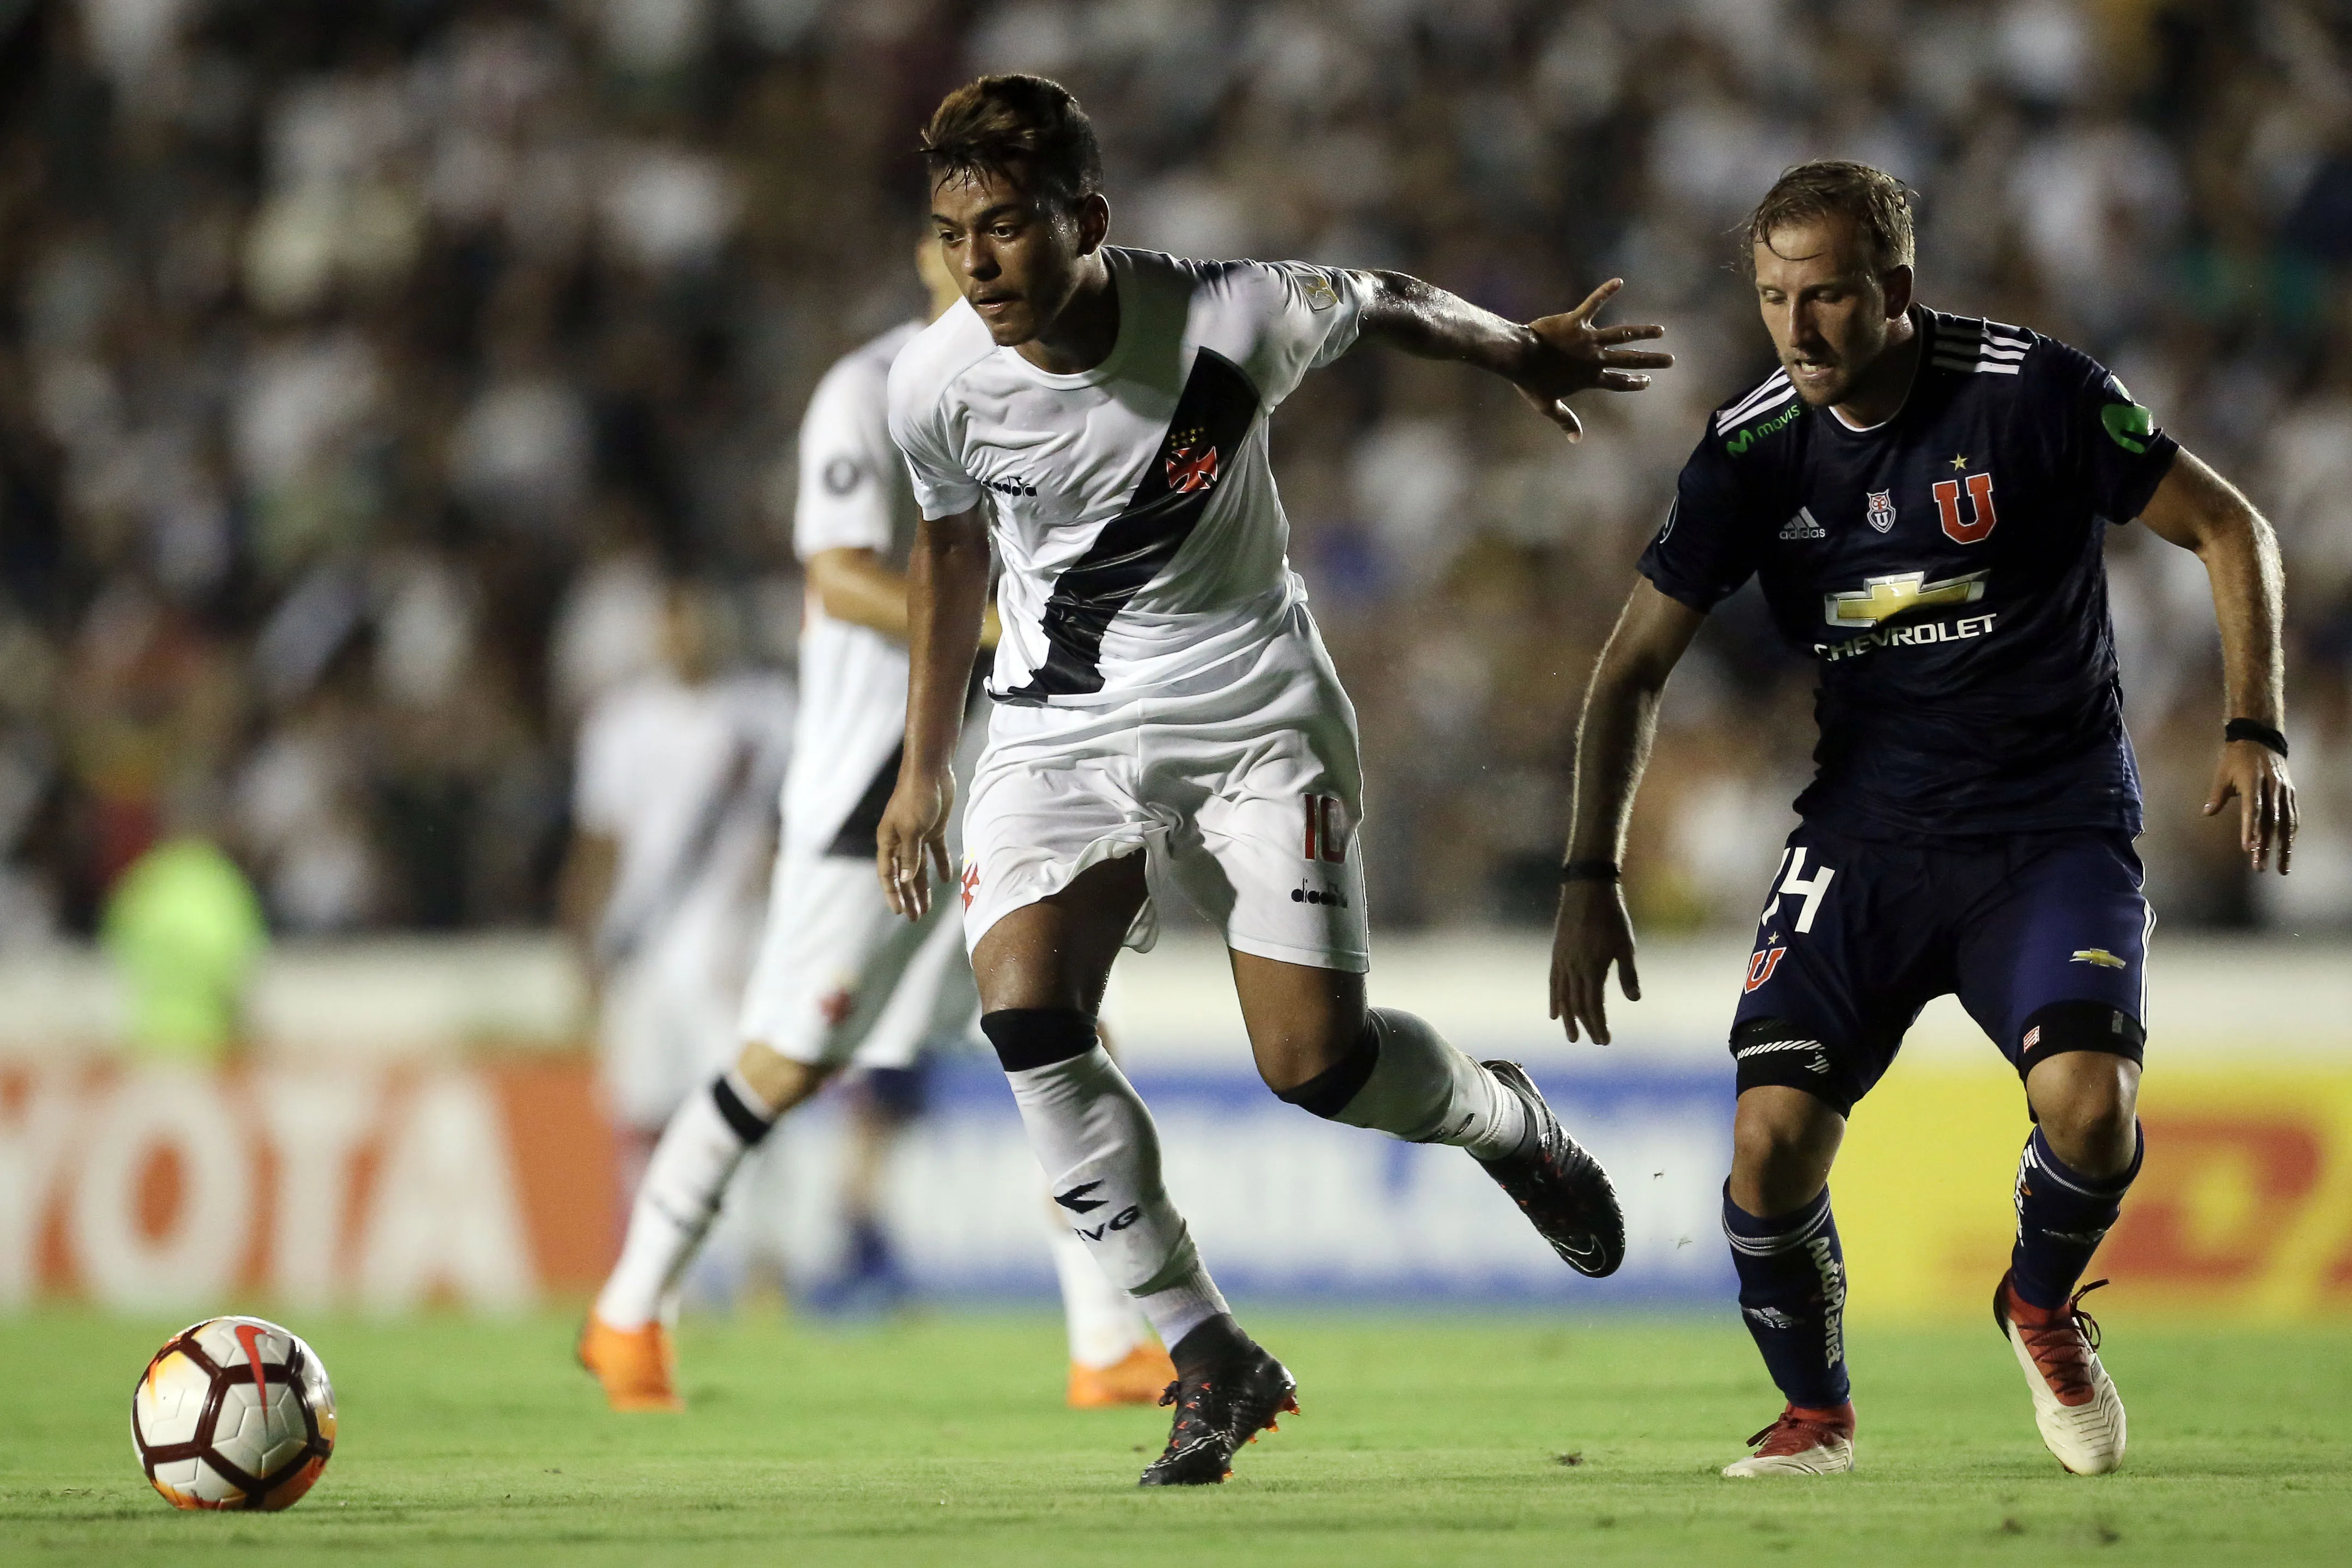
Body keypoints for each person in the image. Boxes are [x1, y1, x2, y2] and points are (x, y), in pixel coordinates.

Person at [876, 74, 1669, 1487]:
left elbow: (1377, 295)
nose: (979, 260)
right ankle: (1205, 1349)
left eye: (1004, 225)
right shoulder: (933, 382)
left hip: (1250, 708)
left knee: (1314, 1061)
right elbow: (944, 555)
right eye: (955, 232)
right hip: (1056, 730)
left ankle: (1498, 1116)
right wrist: (919, 769)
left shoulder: (1225, 315)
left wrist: (1515, 352)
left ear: (1087, 219)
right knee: (1026, 1014)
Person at [1548, 162, 2297, 1479]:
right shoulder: (1748, 448)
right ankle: (1813, 1414)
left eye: (1826, 294)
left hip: (2047, 829)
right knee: (1766, 1140)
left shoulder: (2034, 393)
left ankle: (2036, 1306)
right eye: (1774, 297)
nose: (1797, 327)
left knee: (2089, 1108)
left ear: (1893, 290)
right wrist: (1586, 867)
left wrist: (2252, 726)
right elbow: (1627, 669)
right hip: (1865, 839)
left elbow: (2228, 530)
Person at [579, 238, 1174, 1414]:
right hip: (872, 790)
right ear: (925, 254)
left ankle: (1107, 1337)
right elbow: (837, 573)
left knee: (1064, 1039)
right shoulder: (865, 392)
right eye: (969, 238)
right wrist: (1001, 624)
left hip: (1005, 775)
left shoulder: (1057, 396)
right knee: (786, 1060)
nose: (996, 263)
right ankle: (630, 1307)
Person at [561, 581, 794, 1197]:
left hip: (730, 939)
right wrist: (584, 945)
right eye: (674, 621)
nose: (686, 635)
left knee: (743, 1100)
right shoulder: (622, 722)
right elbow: (599, 843)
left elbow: (788, 831)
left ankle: (760, 1263)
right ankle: (653, 1259)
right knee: (644, 1107)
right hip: (644, 939)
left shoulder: (766, 711)